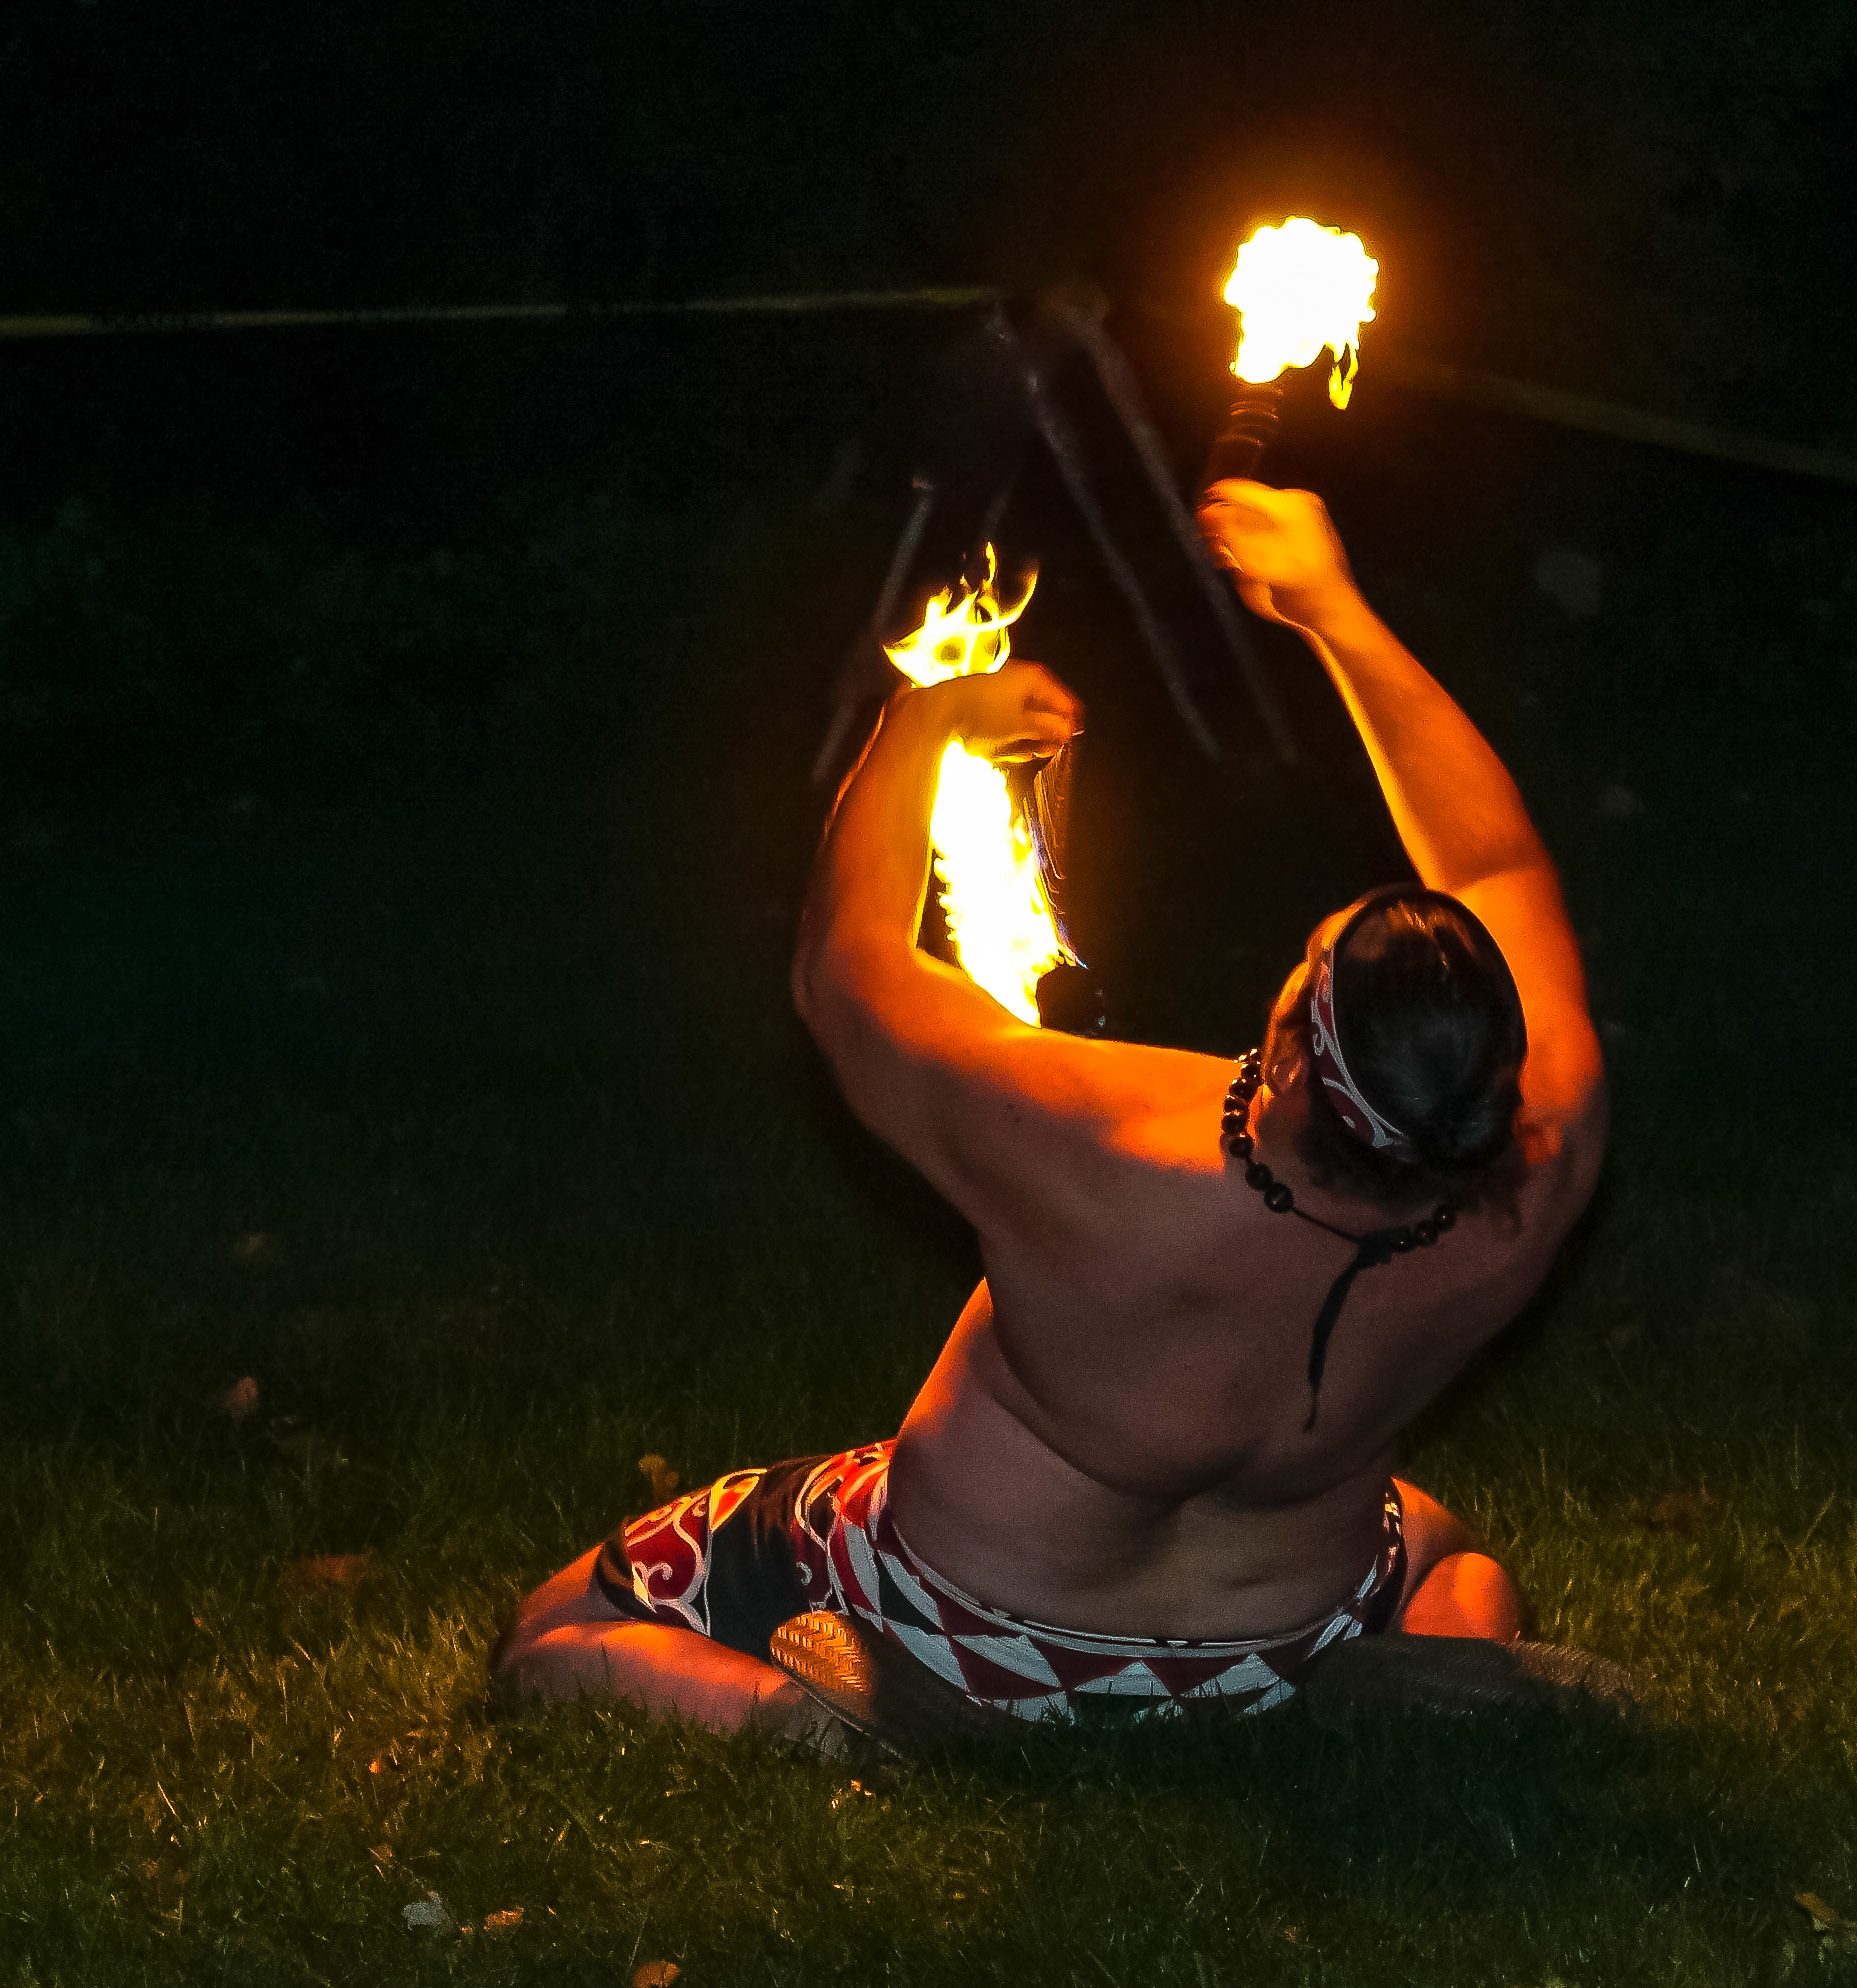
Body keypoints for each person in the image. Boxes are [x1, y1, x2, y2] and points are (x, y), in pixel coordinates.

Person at [490, 480, 1606, 1742]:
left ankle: (814, 1714)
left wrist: (930, 712)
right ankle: (1438, 1666)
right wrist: (1332, 612)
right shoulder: (1533, 1169)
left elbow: (845, 971)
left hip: (972, 1624)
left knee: (555, 1631)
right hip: (1285, 1630)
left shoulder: (1109, 1142)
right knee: (1448, 1552)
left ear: (1294, 1059)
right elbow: (1498, 867)